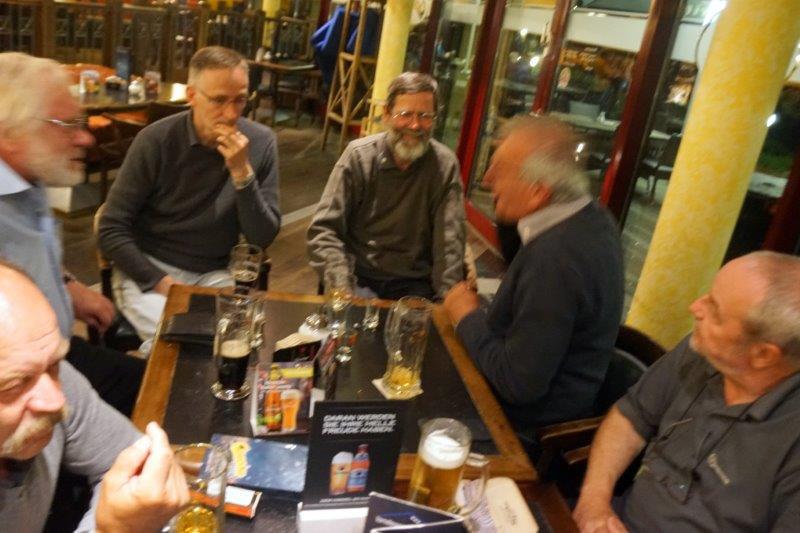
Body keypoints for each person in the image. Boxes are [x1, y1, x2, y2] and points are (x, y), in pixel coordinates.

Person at [574, 252, 800, 533]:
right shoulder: (703, 349)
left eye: (715, 310)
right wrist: (594, 501)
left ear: (763, 355)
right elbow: (631, 416)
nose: (695, 307)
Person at [444, 116, 623, 429]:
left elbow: (518, 384)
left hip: (524, 429)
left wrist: (466, 316)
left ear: (539, 192)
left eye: (499, 170)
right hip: (539, 393)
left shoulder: (555, 259)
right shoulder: (591, 216)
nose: (486, 179)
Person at [99, 46, 281, 345]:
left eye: (240, 100)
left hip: (215, 271)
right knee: (172, 341)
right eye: (219, 100)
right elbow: (110, 228)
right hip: (151, 269)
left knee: (229, 342)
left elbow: (261, 238)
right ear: (192, 95)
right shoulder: (156, 141)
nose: (231, 114)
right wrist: (161, 282)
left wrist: (242, 174)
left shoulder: (261, 143)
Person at [0, 52, 144, 416]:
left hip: (59, 351)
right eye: (66, 124)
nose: (85, 138)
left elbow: (29, 256)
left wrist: (68, 285)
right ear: (9, 134)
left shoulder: (27, 178)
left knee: (154, 381)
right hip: (23, 384)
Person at [0, 260, 188, 532]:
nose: (57, 400)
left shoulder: (46, 374)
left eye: (54, 363)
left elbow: (126, 460)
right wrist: (114, 528)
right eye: (13, 385)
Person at [307, 72, 465, 301]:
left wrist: (446, 304)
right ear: (387, 114)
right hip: (357, 277)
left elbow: (449, 246)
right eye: (405, 114)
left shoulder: (444, 165)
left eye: (425, 116)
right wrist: (343, 287)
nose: (415, 125)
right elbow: (324, 229)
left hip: (414, 284)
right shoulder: (358, 157)